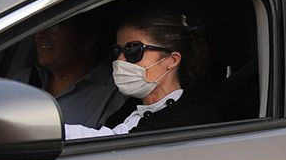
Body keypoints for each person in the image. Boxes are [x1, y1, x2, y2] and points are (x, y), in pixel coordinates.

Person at [65, 10, 216, 139]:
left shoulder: (192, 116)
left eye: (133, 50)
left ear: (172, 60)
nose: (120, 60)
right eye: (117, 51)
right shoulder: (124, 112)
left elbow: (118, 145)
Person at [14, 15, 125, 127]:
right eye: (40, 26)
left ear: (87, 41)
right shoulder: (23, 80)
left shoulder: (116, 93)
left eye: (54, 26)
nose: (39, 35)